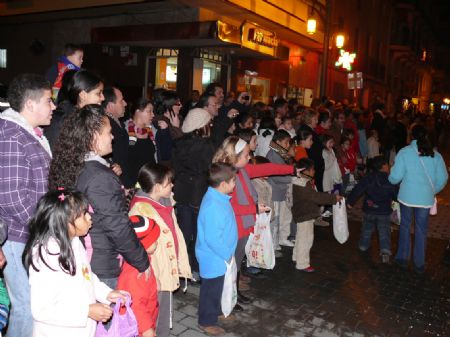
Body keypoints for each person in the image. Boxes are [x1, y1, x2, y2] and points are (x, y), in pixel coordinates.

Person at [48, 104, 150, 288]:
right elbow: (117, 226)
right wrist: (141, 261)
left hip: (78, 254)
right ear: (94, 137)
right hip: (101, 263)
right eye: (108, 132)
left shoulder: (70, 163)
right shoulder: (100, 176)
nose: (112, 137)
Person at [23, 190, 127, 337]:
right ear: (65, 221)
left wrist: (107, 294)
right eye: (83, 215)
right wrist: (87, 311)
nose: (90, 217)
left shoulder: (74, 242)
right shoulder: (46, 255)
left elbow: (87, 276)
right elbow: (42, 309)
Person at [0, 73, 55, 337]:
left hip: (27, 233)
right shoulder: (12, 135)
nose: (53, 106)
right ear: (30, 104)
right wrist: (43, 228)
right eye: (48, 101)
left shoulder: (28, 133)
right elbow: (11, 195)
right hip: (15, 235)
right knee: (26, 305)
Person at [212, 136, 293, 308]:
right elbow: (229, 208)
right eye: (247, 155)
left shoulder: (241, 171)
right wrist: (254, 209)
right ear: (235, 156)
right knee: (230, 263)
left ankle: (234, 292)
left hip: (244, 225)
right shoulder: (226, 177)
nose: (250, 158)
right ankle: (226, 298)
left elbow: (268, 168)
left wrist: (291, 169)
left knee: (237, 261)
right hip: (234, 227)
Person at [128, 164, 191, 337]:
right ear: (156, 187)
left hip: (166, 266)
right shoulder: (140, 210)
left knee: (164, 308)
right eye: (168, 183)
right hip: (155, 271)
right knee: (154, 311)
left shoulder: (163, 201)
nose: (172, 185)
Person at [388, 124, 448, 273]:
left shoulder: (405, 152)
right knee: (421, 230)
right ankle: (419, 263)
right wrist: (432, 190)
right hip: (425, 200)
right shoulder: (436, 155)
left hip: (406, 197)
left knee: (405, 226)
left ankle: (402, 257)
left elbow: (394, 178)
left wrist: (391, 175)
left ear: (412, 136)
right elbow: (443, 178)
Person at [172, 107, 215, 282]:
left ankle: (181, 267)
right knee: (200, 235)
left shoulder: (178, 143)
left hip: (182, 193)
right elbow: (209, 170)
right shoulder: (207, 145)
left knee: (183, 233)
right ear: (201, 125)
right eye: (208, 122)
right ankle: (197, 269)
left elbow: (175, 167)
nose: (210, 125)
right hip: (200, 194)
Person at [196, 163, 238, 336]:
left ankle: (219, 310)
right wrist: (227, 254)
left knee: (219, 287)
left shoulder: (219, 197)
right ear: (223, 184)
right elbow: (213, 239)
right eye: (233, 181)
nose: (235, 184)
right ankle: (206, 320)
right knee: (211, 290)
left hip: (220, 256)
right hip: (214, 258)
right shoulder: (213, 205)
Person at [292, 158, 342, 272]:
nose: (314, 171)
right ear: (306, 171)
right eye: (313, 169)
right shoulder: (302, 184)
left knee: (300, 237)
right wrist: (334, 198)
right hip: (305, 214)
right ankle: (302, 264)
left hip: (302, 213)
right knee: (306, 239)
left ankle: (297, 257)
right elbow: (316, 197)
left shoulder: (298, 181)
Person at [347, 156, 398, 263]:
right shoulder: (390, 179)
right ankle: (385, 251)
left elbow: (358, 190)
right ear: (384, 166)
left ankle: (363, 245)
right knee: (384, 231)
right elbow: (395, 195)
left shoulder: (368, 178)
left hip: (369, 209)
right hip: (384, 212)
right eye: (387, 164)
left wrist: (350, 202)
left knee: (367, 229)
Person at [117, 215, 160, 337]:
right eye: (154, 240)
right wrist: (146, 328)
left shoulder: (142, 262)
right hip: (137, 328)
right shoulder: (134, 272)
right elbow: (134, 303)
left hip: (145, 319)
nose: (157, 243)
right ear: (142, 245)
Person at [44, 70, 104, 149]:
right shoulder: (60, 121)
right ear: (83, 95)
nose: (103, 98)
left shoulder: (87, 118)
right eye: (98, 93)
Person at [267, 130, 295, 249]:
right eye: (286, 142)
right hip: (276, 190)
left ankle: (283, 238)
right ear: (278, 142)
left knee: (285, 216)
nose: (288, 145)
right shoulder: (273, 155)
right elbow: (276, 175)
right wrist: (292, 178)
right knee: (276, 218)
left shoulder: (281, 153)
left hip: (283, 190)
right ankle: (274, 242)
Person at [102, 85, 132, 188]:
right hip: (116, 182)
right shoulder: (106, 126)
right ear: (110, 105)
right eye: (121, 101)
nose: (125, 103)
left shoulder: (117, 123)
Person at [126, 98, 157, 186]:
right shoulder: (125, 130)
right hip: (132, 182)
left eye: (153, 111)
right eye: (149, 111)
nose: (153, 115)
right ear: (138, 111)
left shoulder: (153, 131)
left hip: (151, 181)